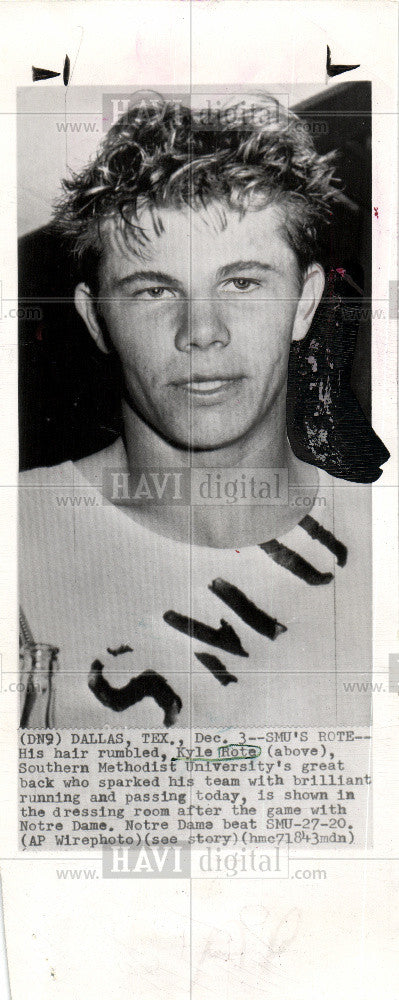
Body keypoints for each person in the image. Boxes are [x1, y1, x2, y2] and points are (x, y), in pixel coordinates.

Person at [19, 93, 372, 729]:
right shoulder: (16, 538)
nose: (201, 332)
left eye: (242, 283)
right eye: (154, 290)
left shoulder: (385, 538)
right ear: (95, 318)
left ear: (305, 302)